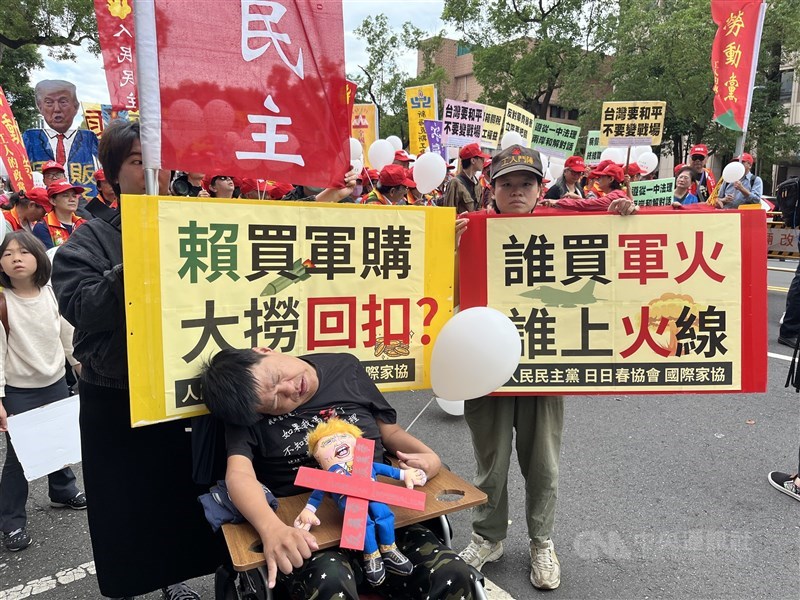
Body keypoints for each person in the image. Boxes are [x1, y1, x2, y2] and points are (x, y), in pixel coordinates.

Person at [51, 121, 224, 599]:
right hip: (116, 392)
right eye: (136, 160)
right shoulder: (87, 240)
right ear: (111, 175)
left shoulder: (195, 225)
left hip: (183, 384)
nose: (153, 170)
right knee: (125, 499)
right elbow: (80, 306)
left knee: (185, 487)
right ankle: (136, 580)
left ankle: (183, 574)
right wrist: (138, 261)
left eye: (160, 159)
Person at [454, 145, 637, 591]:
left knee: (543, 465)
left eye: (526, 184)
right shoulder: (467, 231)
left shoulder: (564, 228)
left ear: (540, 189)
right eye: (506, 184)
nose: (516, 192)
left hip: (544, 364)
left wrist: (624, 212)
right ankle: (488, 537)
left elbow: (610, 238)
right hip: (485, 368)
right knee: (490, 463)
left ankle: (541, 541)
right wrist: (447, 248)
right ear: (490, 188)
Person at [199, 348, 474, 599]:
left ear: (265, 351)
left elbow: (390, 432)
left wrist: (431, 458)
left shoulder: (346, 368)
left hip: (382, 516)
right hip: (311, 534)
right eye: (274, 402)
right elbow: (239, 475)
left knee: (453, 573)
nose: (289, 389)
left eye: (276, 377)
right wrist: (271, 528)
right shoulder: (245, 413)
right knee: (331, 582)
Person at [0, 231, 86, 553]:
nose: (16, 258)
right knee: (19, 458)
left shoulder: (51, 294)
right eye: (7, 254)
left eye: (23, 252)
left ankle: (63, 490)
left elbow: (68, 337)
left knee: (59, 442)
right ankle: (11, 521)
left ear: (39, 257)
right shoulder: (3, 303)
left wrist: (80, 370)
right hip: (19, 391)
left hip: (55, 383)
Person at [296, 418, 424, 586]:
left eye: (343, 437)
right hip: (350, 502)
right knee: (363, 523)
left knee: (384, 513)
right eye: (328, 442)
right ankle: (371, 556)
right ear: (319, 460)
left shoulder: (365, 463)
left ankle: (389, 548)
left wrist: (405, 474)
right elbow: (317, 494)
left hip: (376, 494)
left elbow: (389, 471)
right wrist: (308, 510)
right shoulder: (331, 473)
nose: (338, 443)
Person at [22, 80, 100, 198]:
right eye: (49, 103)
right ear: (40, 107)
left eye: (63, 102)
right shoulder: (30, 139)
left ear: (76, 106)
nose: (57, 109)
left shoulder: (89, 139)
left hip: (85, 208)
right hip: (42, 209)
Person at [541, 162, 633, 212]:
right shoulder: (616, 195)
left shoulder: (614, 197)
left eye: (601, 177)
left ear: (611, 179)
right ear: (565, 172)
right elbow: (592, 203)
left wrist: (558, 201)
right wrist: (578, 198)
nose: (598, 179)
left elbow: (588, 205)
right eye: (574, 172)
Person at [32, 181, 86, 249]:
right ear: (53, 201)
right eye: (65, 196)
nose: (72, 199)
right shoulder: (42, 227)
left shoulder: (84, 224)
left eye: (74, 196)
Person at [442, 143, 490, 213]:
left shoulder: (478, 184)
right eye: (481, 158)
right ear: (473, 160)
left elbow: (478, 209)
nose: (484, 161)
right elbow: (448, 212)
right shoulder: (455, 183)